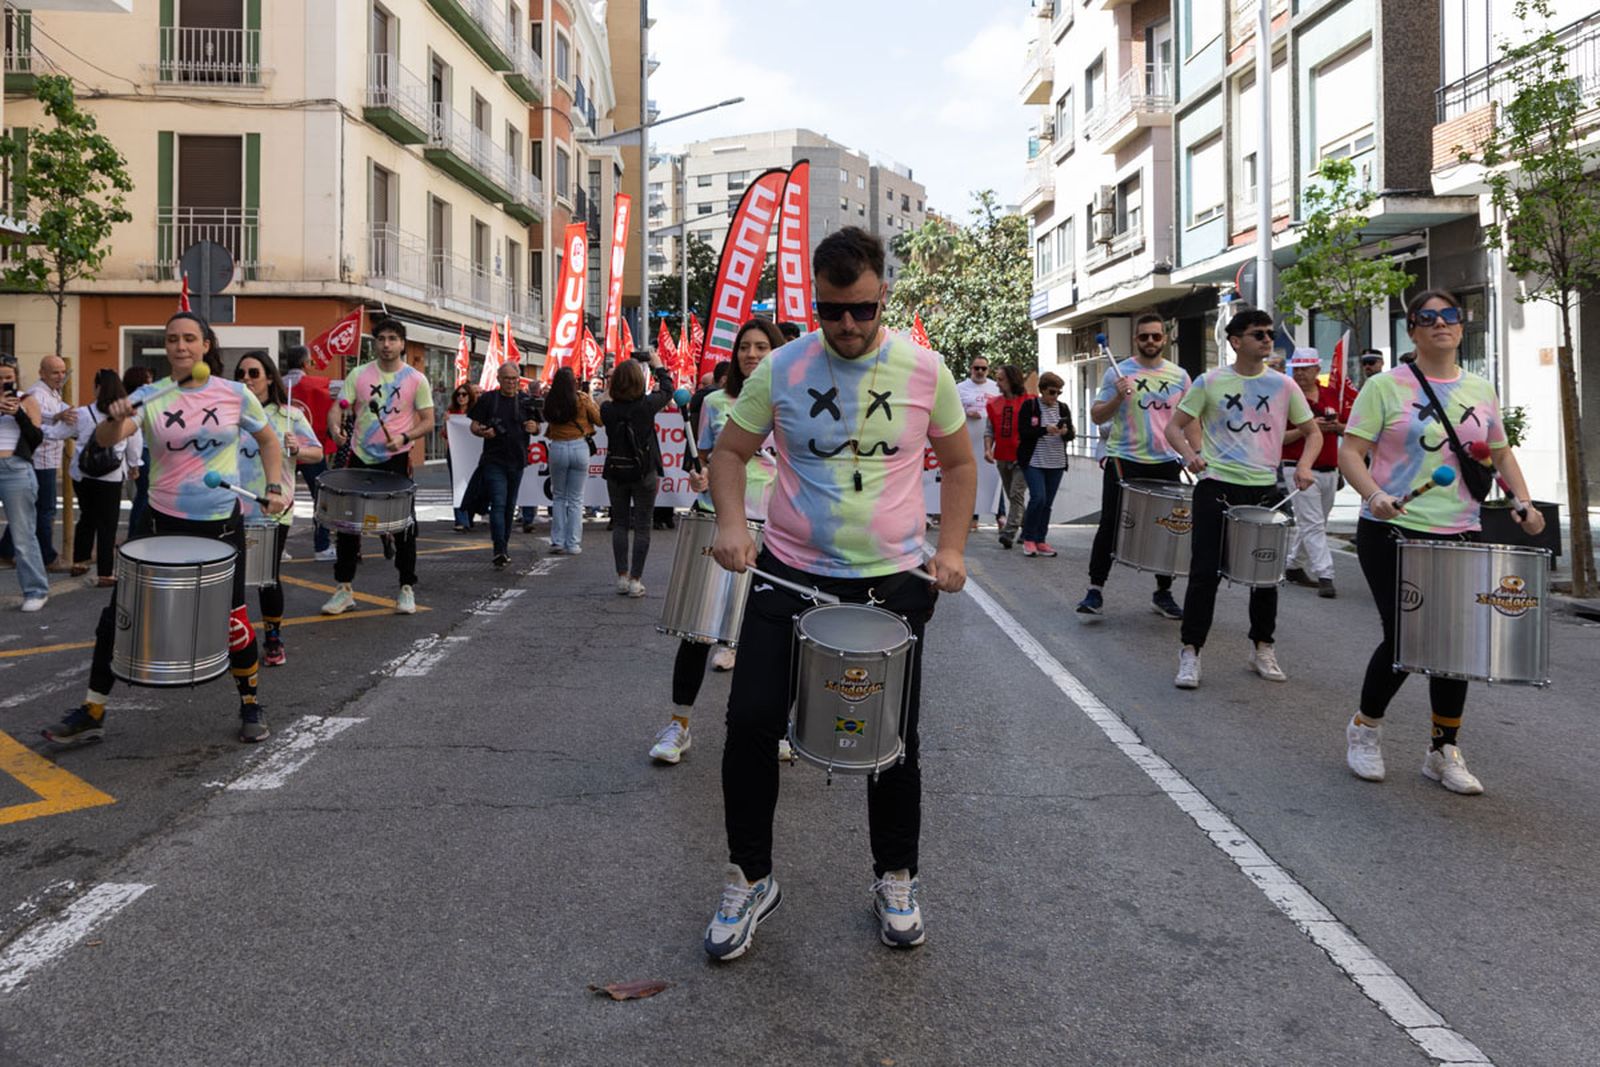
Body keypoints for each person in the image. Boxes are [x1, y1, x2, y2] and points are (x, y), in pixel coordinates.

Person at [704, 226, 974, 960]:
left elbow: (957, 462)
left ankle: (896, 876)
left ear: (884, 293)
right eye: (832, 311)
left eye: (861, 310)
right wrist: (733, 521)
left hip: (891, 580)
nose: (848, 327)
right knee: (751, 720)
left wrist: (949, 548)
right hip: (789, 571)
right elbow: (729, 452)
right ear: (814, 302)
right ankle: (750, 875)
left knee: (890, 740)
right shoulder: (783, 367)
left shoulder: (924, 370)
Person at [43, 311, 291, 746]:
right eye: (173, 339)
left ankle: (250, 704)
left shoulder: (234, 393)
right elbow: (105, 441)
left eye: (189, 339)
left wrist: (274, 485)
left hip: (218, 524)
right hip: (158, 522)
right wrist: (112, 416)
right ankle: (93, 710)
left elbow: (269, 441)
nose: (180, 346)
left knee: (233, 620)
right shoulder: (151, 394)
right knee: (117, 617)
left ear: (205, 345)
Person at [1338, 290, 1543, 795]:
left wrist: (1524, 501)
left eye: (1449, 316)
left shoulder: (1480, 389)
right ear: (1411, 330)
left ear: (1461, 325)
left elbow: (1498, 453)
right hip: (1393, 529)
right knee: (1407, 636)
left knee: (1455, 643)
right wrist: (1376, 493)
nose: (1439, 324)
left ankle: (1442, 749)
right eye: (1426, 318)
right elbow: (1350, 452)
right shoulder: (1386, 387)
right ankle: (1365, 729)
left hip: (1460, 528)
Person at [649, 317, 783, 765]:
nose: (752, 354)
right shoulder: (713, 404)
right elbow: (706, 459)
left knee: (774, 636)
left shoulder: (794, 403)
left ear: (775, 351)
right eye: (745, 346)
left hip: (778, 530)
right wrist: (698, 472)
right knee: (698, 630)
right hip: (720, 522)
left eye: (762, 347)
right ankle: (678, 725)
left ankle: (777, 728)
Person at [1164, 309, 1320, 690]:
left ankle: (1262, 647)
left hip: (1264, 487)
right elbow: (1173, 428)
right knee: (1204, 572)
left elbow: (1312, 433)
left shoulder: (1284, 386)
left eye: (1269, 333)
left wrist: (1303, 467)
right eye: (1258, 334)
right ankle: (1191, 651)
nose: (1267, 339)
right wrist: (1191, 456)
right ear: (1236, 341)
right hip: (1217, 484)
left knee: (1265, 575)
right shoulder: (1210, 381)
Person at [1078, 314, 1191, 620]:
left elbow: (1190, 422)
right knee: (1111, 524)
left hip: (1166, 460)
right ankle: (1095, 590)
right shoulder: (1119, 372)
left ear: (1164, 339)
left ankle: (1163, 592)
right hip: (1123, 459)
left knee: (1169, 530)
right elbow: (1097, 416)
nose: (1150, 342)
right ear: (1135, 340)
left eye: (1156, 336)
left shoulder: (1179, 376)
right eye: (1144, 337)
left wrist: (1196, 456)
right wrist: (1117, 395)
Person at [321, 317, 433, 616]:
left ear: (402, 343)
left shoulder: (415, 379)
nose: (386, 344)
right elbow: (337, 408)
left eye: (392, 339)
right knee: (348, 525)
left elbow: (428, 421)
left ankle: (406, 588)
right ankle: (344, 589)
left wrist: (405, 436)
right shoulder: (358, 374)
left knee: (404, 526)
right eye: (381, 339)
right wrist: (334, 429)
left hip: (396, 459)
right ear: (375, 343)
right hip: (360, 456)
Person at [235, 351, 322, 666]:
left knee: (266, 576)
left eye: (253, 373)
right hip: (231, 508)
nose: (246, 379)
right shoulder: (230, 414)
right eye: (241, 374)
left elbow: (317, 453)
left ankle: (273, 637)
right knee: (231, 577)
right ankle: (234, 637)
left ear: (269, 377)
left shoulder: (289, 416)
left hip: (274, 508)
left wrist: (297, 447)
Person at [600, 352, 673, 597]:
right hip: (644, 472)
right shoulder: (647, 406)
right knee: (643, 525)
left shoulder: (608, 409)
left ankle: (620, 576)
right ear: (640, 382)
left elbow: (605, 400)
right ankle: (635, 579)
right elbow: (668, 389)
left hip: (616, 472)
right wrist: (658, 365)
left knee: (620, 523)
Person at [0, 354, 74, 573]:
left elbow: (35, 431)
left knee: (29, 512)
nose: (60, 376)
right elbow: (42, 427)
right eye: (55, 372)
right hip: (37, 460)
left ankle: (18, 557)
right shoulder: (37, 394)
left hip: (33, 461)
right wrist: (59, 420)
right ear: (42, 373)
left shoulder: (35, 396)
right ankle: (45, 556)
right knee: (42, 510)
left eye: (63, 372)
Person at [68, 369, 140, 587]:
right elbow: (133, 441)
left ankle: (79, 561)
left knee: (87, 516)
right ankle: (105, 573)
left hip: (83, 473)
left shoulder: (81, 413)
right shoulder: (126, 413)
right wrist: (134, 465)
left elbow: (59, 432)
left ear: (98, 387)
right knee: (107, 524)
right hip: (111, 474)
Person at [1281, 348, 1343, 598]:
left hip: (1330, 468)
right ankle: (1325, 574)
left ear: (1318, 370)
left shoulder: (1331, 395)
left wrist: (1335, 426)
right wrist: (1307, 429)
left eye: (1306, 368)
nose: (1301, 373)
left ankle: (1293, 565)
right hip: (1296, 467)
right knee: (1314, 523)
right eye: (1297, 368)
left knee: (1316, 522)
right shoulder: (1285, 397)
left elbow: (1351, 427)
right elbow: (1279, 438)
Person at [469, 362, 541, 569]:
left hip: (517, 460)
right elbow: (473, 425)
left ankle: (504, 546)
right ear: (499, 379)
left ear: (519, 379)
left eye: (514, 378)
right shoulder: (488, 399)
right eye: (507, 378)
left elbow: (537, 428)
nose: (511, 382)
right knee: (498, 504)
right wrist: (483, 431)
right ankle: (499, 549)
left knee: (510, 506)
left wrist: (534, 427)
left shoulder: (526, 401)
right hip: (494, 460)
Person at [0, 354, 50, 611]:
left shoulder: (27, 400)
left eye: (8, 377)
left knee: (22, 535)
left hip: (15, 469)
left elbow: (35, 438)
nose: (3, 382)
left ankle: (35, 590)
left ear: (16, 378)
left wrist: (17, 413)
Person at [281, 345, 336, 560]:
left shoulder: (276, 384)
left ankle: (277, 548)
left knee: (280, 497)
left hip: (283, 447)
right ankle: (321, 547)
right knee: (322, 498)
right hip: (310, 449)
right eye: (311, 362)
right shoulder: (320, 384)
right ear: (306, 364)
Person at [541, 366, 601, 555]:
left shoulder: (550, 400)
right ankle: (573, 543)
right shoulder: (582, 399)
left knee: (559, 496)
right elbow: (599, 420)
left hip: (557, 447)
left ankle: (557, 541)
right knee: (576, 499)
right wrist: (590, 398)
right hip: (579, 447)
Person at [1015, 371, 1075, 558]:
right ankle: (1028, 538)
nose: (1055, 396)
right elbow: (1023, 432)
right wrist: (1044, 430)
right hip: (1034, 461)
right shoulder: (1030, 406)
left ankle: (1041, 540)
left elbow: (1071, 434)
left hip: (1056, 462)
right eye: (1051, 392)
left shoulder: (1063, 409)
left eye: (1058, 392)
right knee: (1038, 498)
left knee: (1047, 503)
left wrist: (1064, 432)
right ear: (1042, 390)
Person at [983, 364, 1030, 549]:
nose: (997, 383)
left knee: (1016, 494)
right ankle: (1028, 530)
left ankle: (1008, 533)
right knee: (1014, 498)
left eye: (1001, 379)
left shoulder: (1029, 401)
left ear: (1012, 380)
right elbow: (990, 430)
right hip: (1002, 456)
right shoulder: (993, 404)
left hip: (1023, 457)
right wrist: (988, 449)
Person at [956, 356, 1000, 531]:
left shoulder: (996, 387)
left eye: (984, 368)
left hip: (991, 441)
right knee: (969, 478)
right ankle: (971, 517)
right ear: (970, 369)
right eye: (977, 368)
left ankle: (1000, 516)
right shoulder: (960, 388)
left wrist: (983, 416)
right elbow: (951, 408)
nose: (980, 371)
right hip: (967, 440)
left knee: (994, 479)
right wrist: (966, 412)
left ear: (988, 370)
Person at [122, 366, 154, 539]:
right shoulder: (140, 399)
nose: (150, 383)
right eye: (147, 380)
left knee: (143, 493)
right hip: (143, 449)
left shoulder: (128, 400)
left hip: (141, 449)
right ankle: (135, 534)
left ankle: (135, 533)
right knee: (144, 493)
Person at [444, 383, 480, 531]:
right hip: (455, 453)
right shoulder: (451, 413)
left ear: (469, 396)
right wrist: (446, 422)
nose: (461, 397)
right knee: (457, 485)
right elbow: (445, 435)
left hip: (472, 453)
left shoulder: (476, 412)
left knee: (472, 485)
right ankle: (461, 520)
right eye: (458, 394)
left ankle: (469, 516)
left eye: (464, 394)